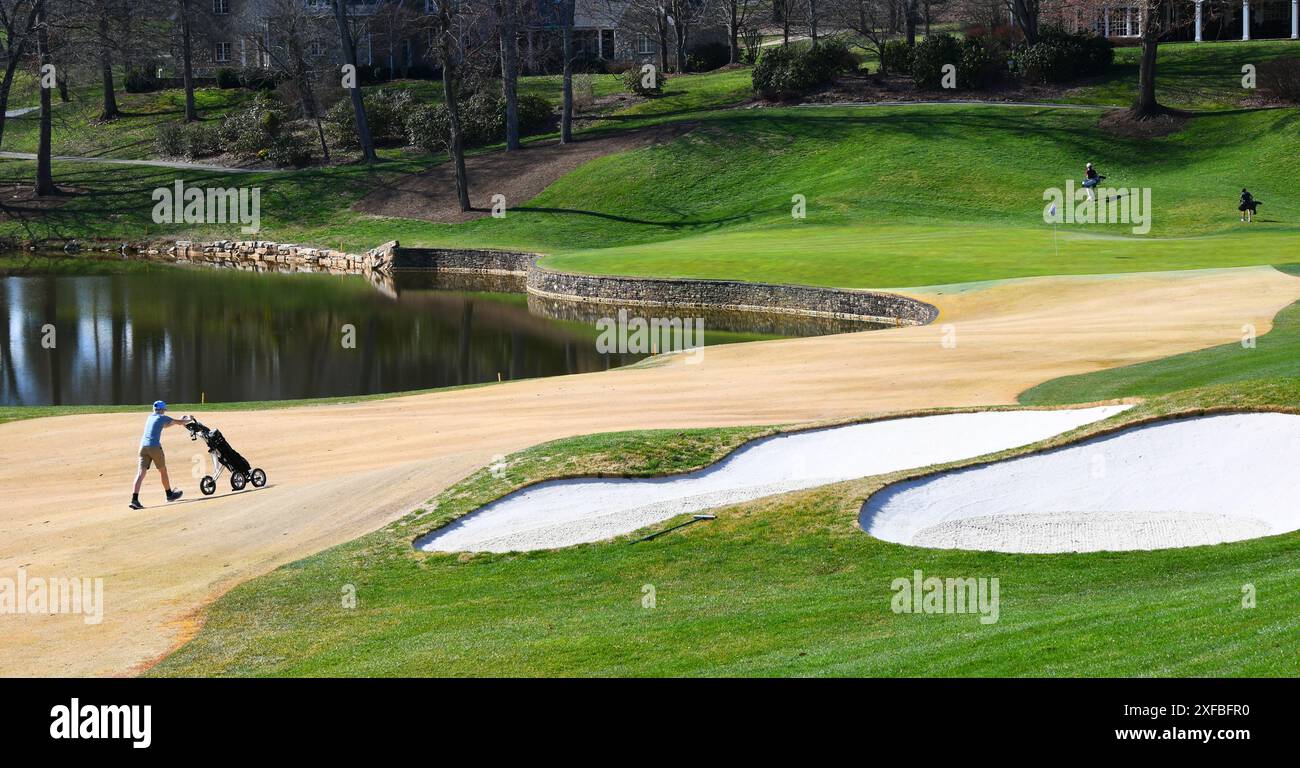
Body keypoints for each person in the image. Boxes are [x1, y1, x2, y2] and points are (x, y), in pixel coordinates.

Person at [130, 400, 195, 510]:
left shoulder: (150, 417)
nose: (164, 412)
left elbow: (165, 426)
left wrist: (178, 421)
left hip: (143, 447)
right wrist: (189, 418)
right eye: (164, 410)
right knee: (162, 470)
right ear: (161, 410)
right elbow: (179, 422)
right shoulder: (162, 417)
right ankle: (169, 495)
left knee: (140, 474)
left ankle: (134, 500)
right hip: (154, 447)